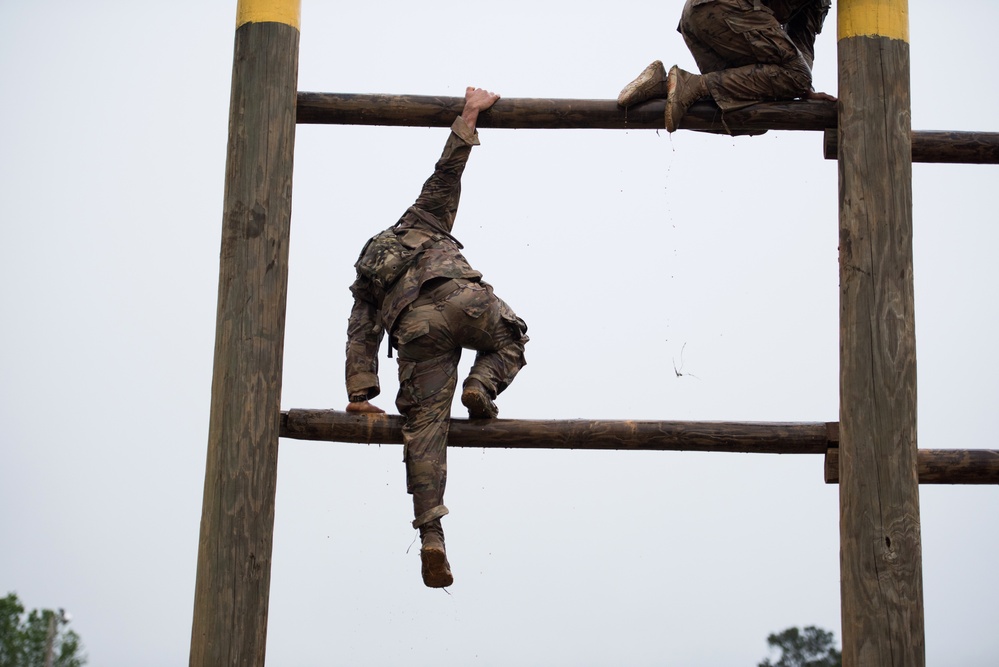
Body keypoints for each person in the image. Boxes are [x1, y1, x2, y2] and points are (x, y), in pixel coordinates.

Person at [343, 86, 529, 589]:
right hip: (464, 302)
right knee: (512, 339)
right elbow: (447, 171)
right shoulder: (420, 220)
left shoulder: (368, 283)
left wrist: (360, 394)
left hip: (416, 331)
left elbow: (361, 336)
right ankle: (481, 387)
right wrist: (470, 113)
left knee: (424, 431)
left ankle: (432, 537)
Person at [617, 0, 835, 133]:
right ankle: (695, 85)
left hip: (696, 17)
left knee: (756, 115)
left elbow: (800, 46)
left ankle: (663, 86)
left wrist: (802, 89)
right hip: (726, 11)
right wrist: (800, 85)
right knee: (796, 78)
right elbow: (799, 70)